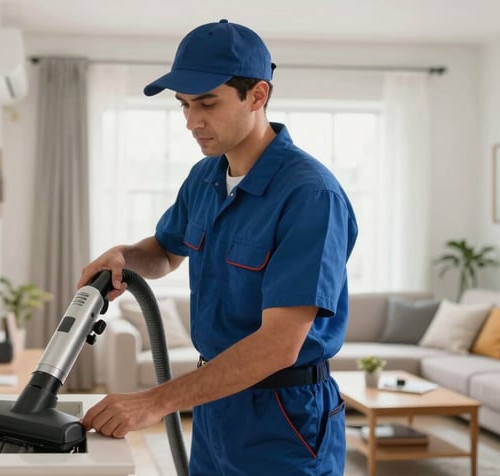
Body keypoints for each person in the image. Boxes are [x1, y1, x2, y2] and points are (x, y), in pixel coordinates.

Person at [79, 19, 358, 475]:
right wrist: (125, 258)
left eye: (207, 103)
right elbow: (167, 252)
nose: (192, 122)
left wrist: (154, 403)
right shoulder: (205, 177)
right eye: (184, 105)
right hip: (215, 404)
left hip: (284, 419)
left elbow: (277, 347)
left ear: (258, 95)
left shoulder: (310, 196)